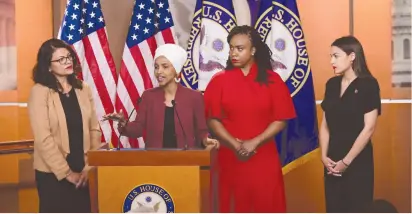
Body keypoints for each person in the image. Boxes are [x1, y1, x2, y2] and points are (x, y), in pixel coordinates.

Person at [203, 25, 296, 212]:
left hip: (263, 156)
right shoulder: (218, 80)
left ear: (253, 50)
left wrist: (255, 142)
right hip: (229, 157)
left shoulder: (273, 80)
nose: (233, 53)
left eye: (240, 48)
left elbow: (282, 119)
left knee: (266, 203)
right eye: (231, 48)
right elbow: (213, 119)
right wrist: (235, 144)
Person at [27, 39, 102, 212]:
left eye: (69, 57)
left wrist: (88, 167)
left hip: (84, 171)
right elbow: (43, 138)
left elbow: (94, 129)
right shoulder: (39, 91)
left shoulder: (83, 88)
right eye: (60, 59)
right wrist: (67, 173)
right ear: (48, 66)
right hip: (52, 175)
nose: (68, 62)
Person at [104, 44, 219, 150]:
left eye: (165, 67)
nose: (159, 71)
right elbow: (138, 129)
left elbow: (201, 131)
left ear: (176, 70)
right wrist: (124, 123)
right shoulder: (148, 96)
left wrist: (206, 140)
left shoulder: (194, 97)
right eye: (156, 67)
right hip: (155, 163)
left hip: (186, 164)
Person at [320, 35, 381, 212]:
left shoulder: (368, 84)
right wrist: (324, 156)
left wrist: (346, 162)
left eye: (336, 56)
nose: (332, 61)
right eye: (330, 56)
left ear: (352, 56)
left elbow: (368, 128)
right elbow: (325, 124)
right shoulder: (331, 84)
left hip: (357, 161)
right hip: (331, 161)